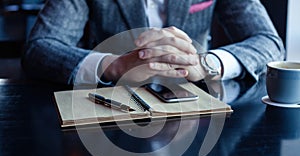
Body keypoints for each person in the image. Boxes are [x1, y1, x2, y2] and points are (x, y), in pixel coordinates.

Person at [22, 0, 285, 85]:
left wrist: (206, 64)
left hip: (195, 111)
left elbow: (269, 41)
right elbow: (39, 47)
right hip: (108, 113)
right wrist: (114, 65)